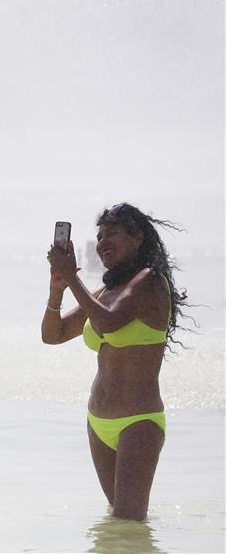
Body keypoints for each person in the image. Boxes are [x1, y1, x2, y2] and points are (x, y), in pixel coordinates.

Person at [42, 203, 189, 521]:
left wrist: (72, 278)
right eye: (99, 237)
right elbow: (53, 335)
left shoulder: (150, 282)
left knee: (129, 522)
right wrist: (57, 289)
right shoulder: (107, 291)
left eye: (112, 234)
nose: (102, 243)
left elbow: (108, 323)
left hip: (138, 422)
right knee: (117, 523)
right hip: (98, 421)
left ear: (137, 238)